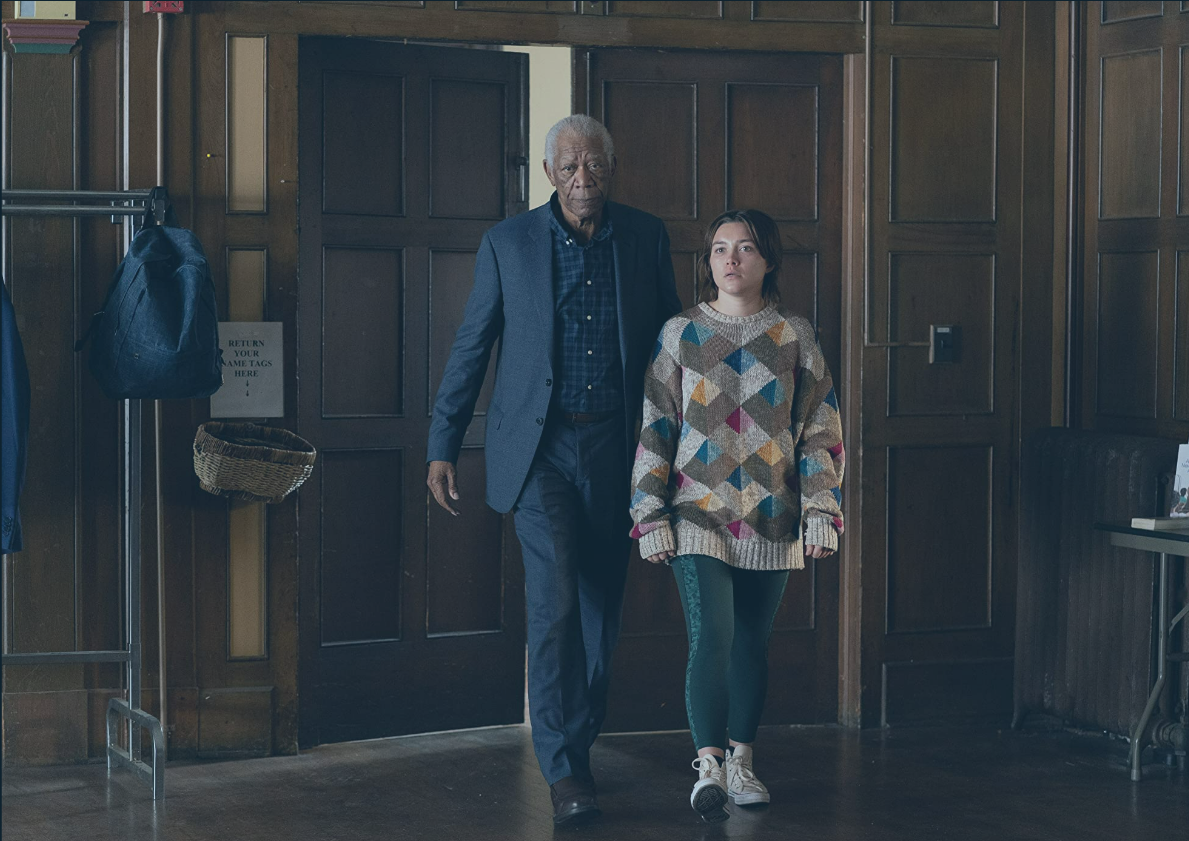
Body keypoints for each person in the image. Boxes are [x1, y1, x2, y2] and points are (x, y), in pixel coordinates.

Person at [426, 115, 682, 825]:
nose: (582, 178)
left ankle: (580, 728)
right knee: (556, 602)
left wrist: (687, 447)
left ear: (610, 169)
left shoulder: (644, 235)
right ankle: (566, 768)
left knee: (602, 610)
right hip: (538, 454)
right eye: (568, 167)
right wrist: (441, 440)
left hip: (619, 448)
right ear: (548, 175)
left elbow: (671, 349)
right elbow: (472, 344)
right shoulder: (507, 243)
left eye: (593, 165)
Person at [628, 209, 844, 822]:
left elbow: (820, 430)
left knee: (753, 641)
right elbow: (656, 426)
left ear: (767, 260)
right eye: (720, 249)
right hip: (696, 514)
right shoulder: (681, 335)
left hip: (775, 514)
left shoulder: (795, 336)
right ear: (708, 263)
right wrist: (649, 513)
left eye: (745, 248)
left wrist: (821, 509)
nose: (731, 260)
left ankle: (743, 761)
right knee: (713, 637)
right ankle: (709, 766)